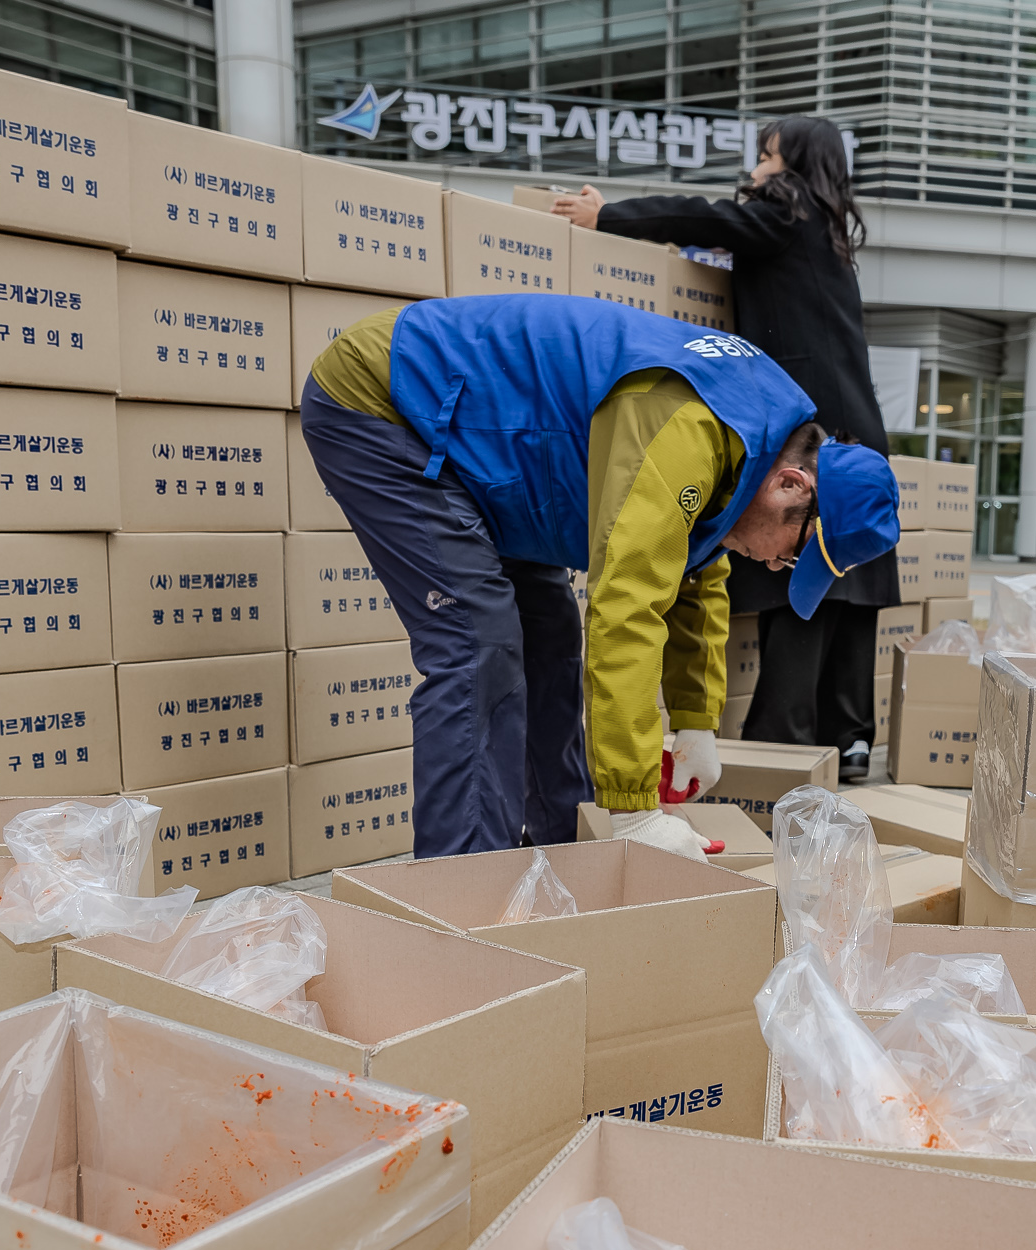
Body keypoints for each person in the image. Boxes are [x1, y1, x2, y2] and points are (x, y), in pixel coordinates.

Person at [299, 294, 899, 860]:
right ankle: (465, 885)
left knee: (551, 638)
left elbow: (695, 572)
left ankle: (567, 845)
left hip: (505, 463)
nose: (773, 566)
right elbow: (627, 610)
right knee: (479, 641)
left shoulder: (759, 434)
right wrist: (635, 809)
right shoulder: (692, 428)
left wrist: (695, 721)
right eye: (793, 554)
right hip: (391, 402)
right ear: (792, 486)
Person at [551, 117, 895, 784]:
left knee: (792, 585)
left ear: (793, 164)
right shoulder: (830, 237)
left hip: (804, 435)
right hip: (856, 433)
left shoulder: (784, 211)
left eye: (767, 156)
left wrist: (609, 215)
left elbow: (706, 218)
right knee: (844, 594)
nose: (759, 169)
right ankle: (850, 739)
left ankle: (780, 748)